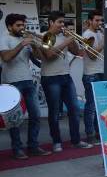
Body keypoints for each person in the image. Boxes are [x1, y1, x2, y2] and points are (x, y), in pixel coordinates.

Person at [0, 13, 52, 159]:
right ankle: (17, 149)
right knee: (14, 119)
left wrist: (35, 46)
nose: (22, 28)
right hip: (11, 82)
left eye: (23, 25)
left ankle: (33, 146)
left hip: (28, 81)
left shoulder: (25, 39)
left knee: (35, 115)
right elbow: (6, 57)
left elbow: (39, 59)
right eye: (18, 25)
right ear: (9, 26)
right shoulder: (4, 39)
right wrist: (22, 44)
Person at [40, 11, 93, 152]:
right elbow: (49, 54)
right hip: (51, 77)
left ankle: (75, 140)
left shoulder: (64, 36)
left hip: (65, 77)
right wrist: (66, 42)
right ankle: (56, 141)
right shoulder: (47, 36)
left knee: (75, 109)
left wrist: (72, 39)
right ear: (51, 22)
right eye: (59, 22)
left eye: (63, 22)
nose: (62, 25)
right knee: (54, 111)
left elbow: (79, 53)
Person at [81, 10, 104, 145]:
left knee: (99, 106)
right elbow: (92, 55)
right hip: (91, 74)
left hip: (101, 72)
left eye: (101, 20)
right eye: (97, 20)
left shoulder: (100, 33)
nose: (99, 23)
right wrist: (105, 41)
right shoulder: (87, 35)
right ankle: (89, 134)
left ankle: (98, 132)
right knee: (91, 106)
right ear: (90, 21)